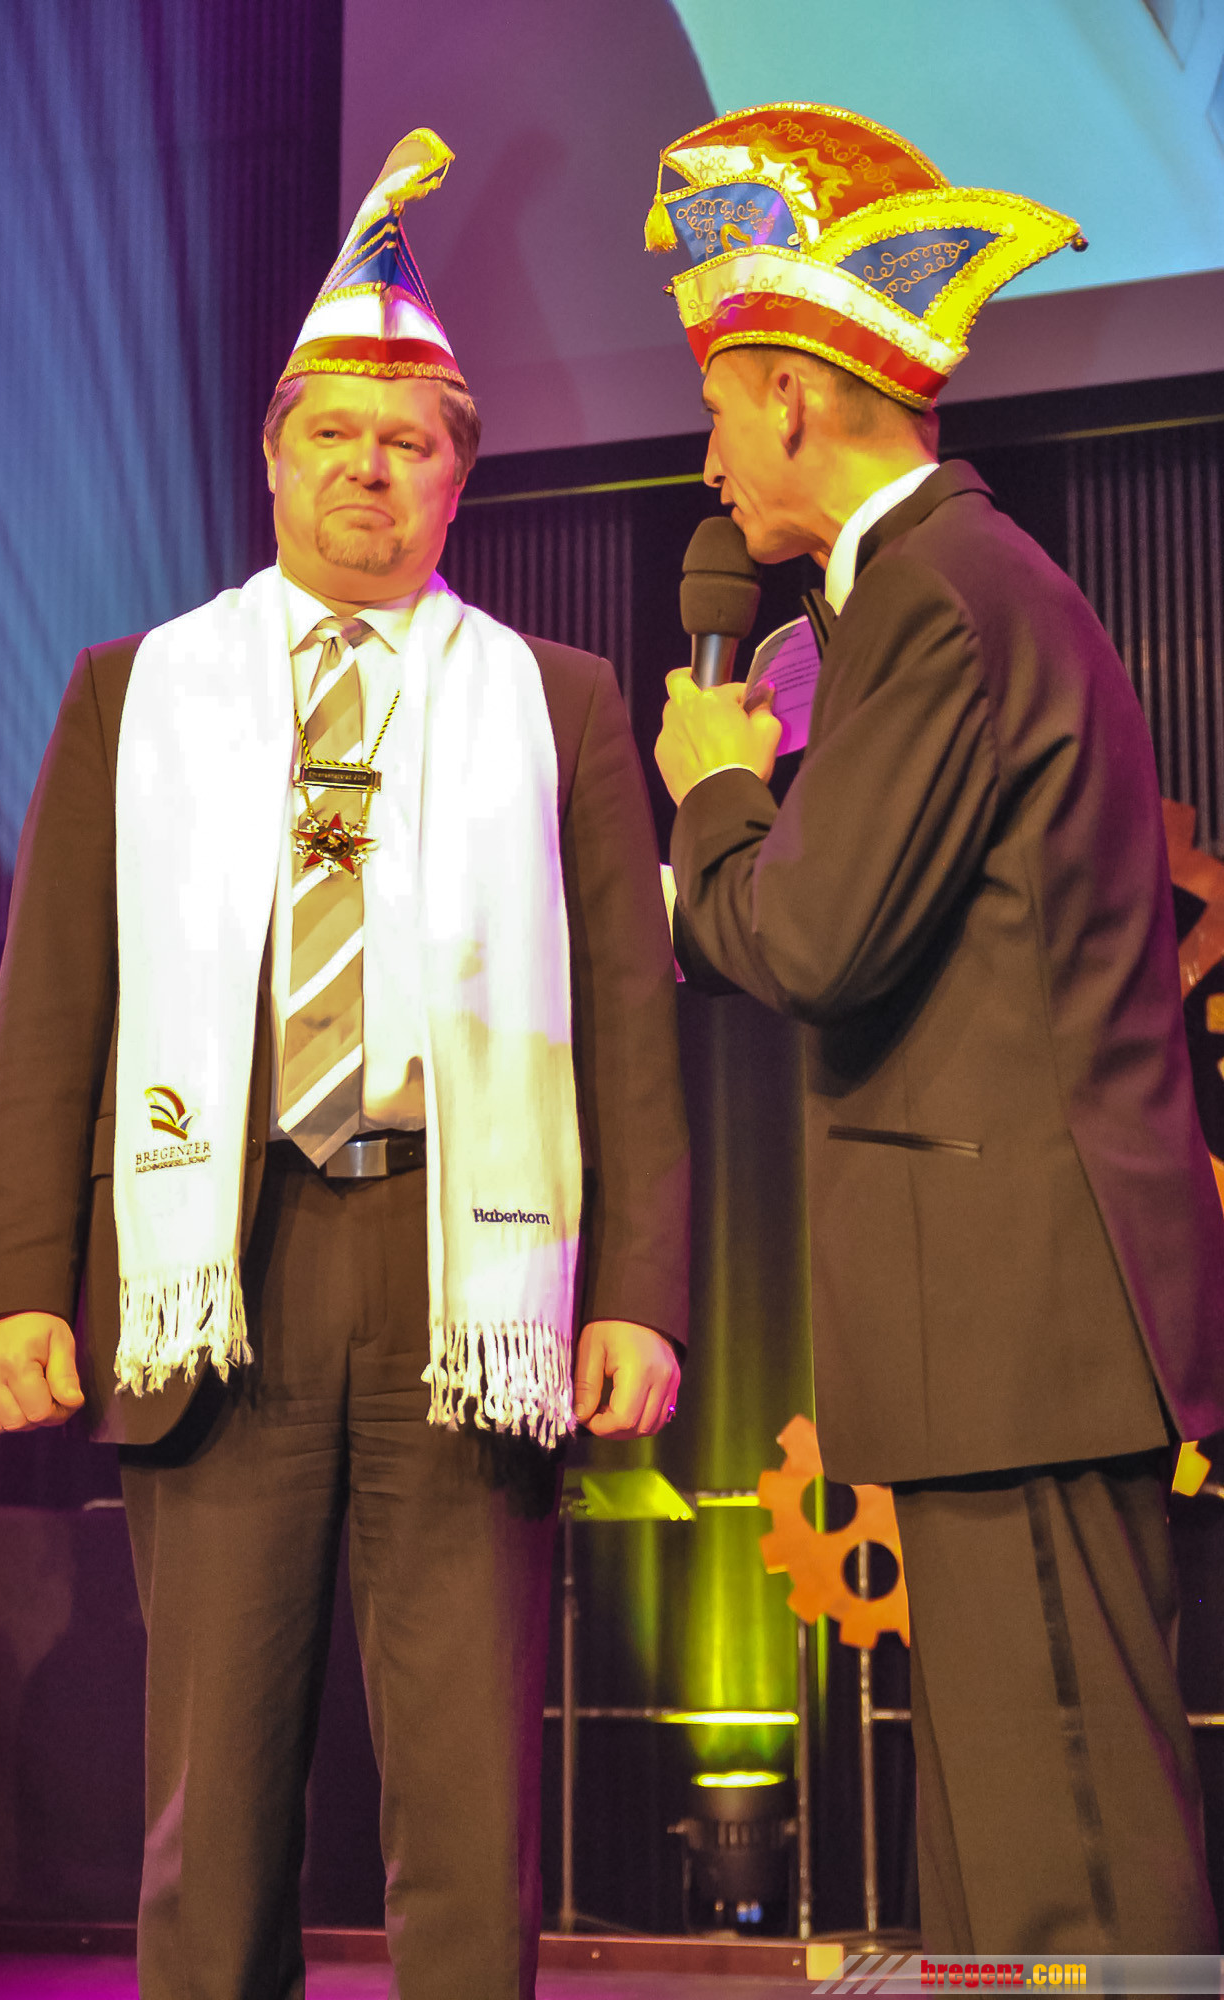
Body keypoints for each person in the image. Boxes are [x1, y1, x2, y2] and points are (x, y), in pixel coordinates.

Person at [0, 130, 688, 2000]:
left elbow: (626, 1021)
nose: (369, 468)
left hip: (464, 1267)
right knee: (212, 1801)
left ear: (459, 478)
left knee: (467, 1803)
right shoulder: (139, 691)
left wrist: (639, 1295)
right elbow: (54, 1004)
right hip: (224, 1257)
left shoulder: (557, 699)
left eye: (410, 441)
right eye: (335, 434)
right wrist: (17, 1283)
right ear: (272, 458)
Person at [648, 105, 1224, 1951]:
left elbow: (811, 937)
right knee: (1000, 1880)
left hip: (1019, 1320)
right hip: (993, 1328)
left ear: (793, 396)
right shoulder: (935, 592)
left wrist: (713, 789)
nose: (708, 457)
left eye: (720, 406)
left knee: (1070, 1857)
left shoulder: (939, 598)